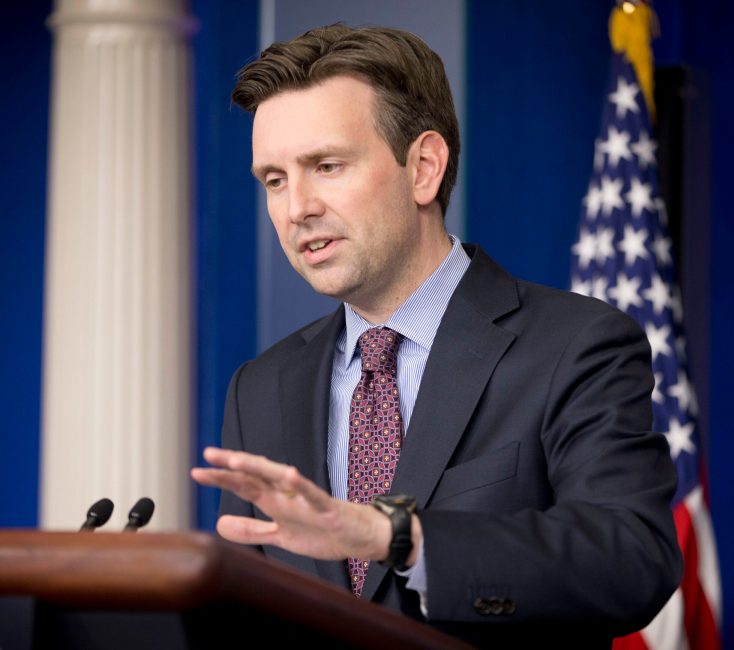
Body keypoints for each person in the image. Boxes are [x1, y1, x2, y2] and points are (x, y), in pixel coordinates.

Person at [191, 23, 681, 647]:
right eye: (275, 180)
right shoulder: (259, 388)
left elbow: (632, 561)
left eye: (327, 165)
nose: (296, 208)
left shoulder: (575, 344)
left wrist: (398, 538)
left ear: (423, 167)